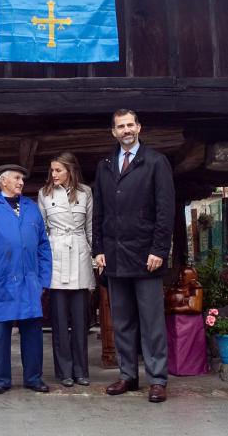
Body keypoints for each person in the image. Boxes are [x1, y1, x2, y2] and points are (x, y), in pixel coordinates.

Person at [92, 109, 175, 403]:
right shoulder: (104, 165)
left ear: (139, 127)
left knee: (152, 322)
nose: (126, 130)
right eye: (120, 126)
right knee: (122, 321)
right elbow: (99, 211)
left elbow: (166, 211)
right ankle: (128, 375)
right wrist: (98, 249)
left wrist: (159, 250)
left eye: (130, 125)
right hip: (114, 256)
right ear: (113, 132)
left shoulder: (156, 162)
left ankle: (157, 379)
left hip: (146, 256)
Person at [0, 164, 52, 395]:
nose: (21, 182)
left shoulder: (31, 207)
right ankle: (1, 380)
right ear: (3, 181)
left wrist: (43, 279)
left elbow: (44, 245)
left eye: (22, 179)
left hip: (29, 281)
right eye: (16, 178)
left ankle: (34, 378)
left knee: (33, 332)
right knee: (1, 333)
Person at [38, 151, 94, 387]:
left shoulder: (86, 192)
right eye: (52, 170)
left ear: (70, 170)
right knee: (59, 320)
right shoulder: (44, 193)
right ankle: (64, 371)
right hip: (56, 255)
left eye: (58, 170)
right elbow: (42, 232)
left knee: (81, 320)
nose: (54, 174)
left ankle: (81, 370)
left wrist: (95, 258)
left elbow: (91, 228)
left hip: (80, 254)